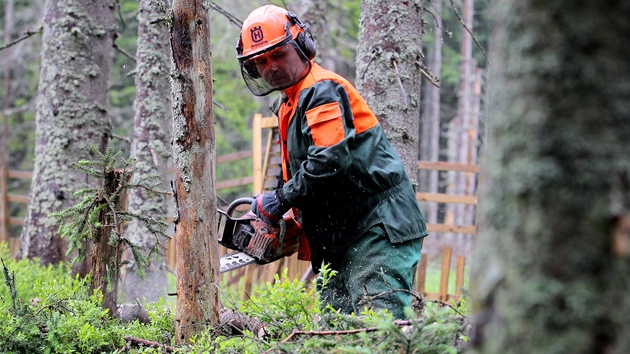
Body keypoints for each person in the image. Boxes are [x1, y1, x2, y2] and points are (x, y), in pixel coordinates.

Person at [236, 4, 428, 319]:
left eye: (278, 55)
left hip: (375, 228)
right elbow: (303, 174)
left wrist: (279, 200)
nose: (271, 66)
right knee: (335, 332)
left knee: (378, 327)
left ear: (301, 46)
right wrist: (281, 217)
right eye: (261, 61)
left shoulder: (321, 91)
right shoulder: (289, 104)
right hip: (341, 237)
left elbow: (329, 160)